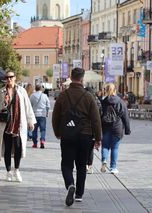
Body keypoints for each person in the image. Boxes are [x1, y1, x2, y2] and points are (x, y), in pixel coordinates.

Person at [52, 68, 102, 206]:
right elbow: (96, 119)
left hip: (67, 135)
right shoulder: (88, 96)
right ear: (82, 79)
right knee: (81, 165)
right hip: (85, 135)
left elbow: (55, 116)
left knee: (66, 164)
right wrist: (98, 138)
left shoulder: (63, 95)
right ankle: (79, 194)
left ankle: (70, 184)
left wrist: (57, 131)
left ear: (71, 77)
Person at [0, 71, 36, 182]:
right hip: (5, 124)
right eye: (7, 77)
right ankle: (8, 172)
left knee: (18, 147)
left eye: (11, 77)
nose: (9, 79)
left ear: (15, 78)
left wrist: (31, 121)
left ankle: (16, 170)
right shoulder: (1, 92)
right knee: (7, 148)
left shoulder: (21, 91)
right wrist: (3, 103)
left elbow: (27, 106)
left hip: (18, 124)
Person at [100, 83, 131, 174]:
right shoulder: (120, 102)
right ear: (115, 90)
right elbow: (125, 116)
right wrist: (127, 129)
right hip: (117, 127)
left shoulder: (103, 102)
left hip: (105, 127)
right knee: (115, 148)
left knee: (105, 146)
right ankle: (113, 167)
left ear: (106, 90)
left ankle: (104, 160)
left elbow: (98, 115)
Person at [85, 87, 102, 174]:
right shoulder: (97, 101)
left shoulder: (83, 100)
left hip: (84, 128)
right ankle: (90, 166)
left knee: (83, 148)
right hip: (94, 128)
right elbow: (100, 116)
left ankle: (84, 165)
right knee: (90, 149)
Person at [30, 84, 50, 148]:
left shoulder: (32, 96)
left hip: (34, 115)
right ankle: (42, 140)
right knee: (43, 129)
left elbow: (30, 106)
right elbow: (48, 105)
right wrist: (47, 112)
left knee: (34, 130)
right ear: (41, 89)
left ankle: (35, 143)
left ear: (35, 89)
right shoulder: (45, 96)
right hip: (42, 115)